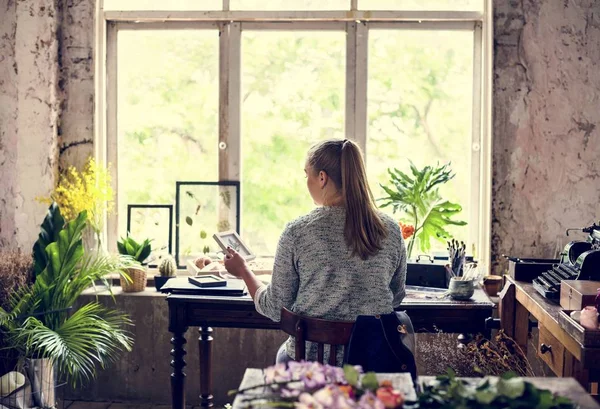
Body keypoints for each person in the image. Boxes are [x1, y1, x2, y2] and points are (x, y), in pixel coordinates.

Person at [223, 138, 407, 364]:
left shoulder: (297, 231)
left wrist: (242, 270)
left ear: (322, 178)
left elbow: (274, 307)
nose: (306, 182)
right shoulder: (390, 229)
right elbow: (396, 296)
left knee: (284, 356)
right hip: (375, 364)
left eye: (306, 175)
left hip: (312, 368)